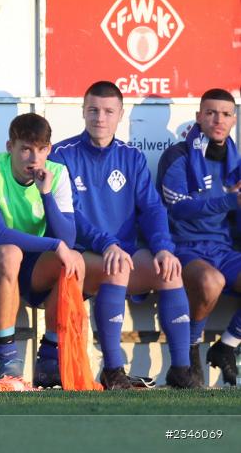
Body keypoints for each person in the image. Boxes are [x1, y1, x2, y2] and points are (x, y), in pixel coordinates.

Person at [49, 81, 194, 389]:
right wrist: (107, 243)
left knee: (169, 271)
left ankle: (182, 370)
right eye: (93, 110)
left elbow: (153, 209)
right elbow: (69, 215)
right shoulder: (62, 155)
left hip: (122, 252)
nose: (100, 118)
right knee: (118, 268)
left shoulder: (132, 157)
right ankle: (113, 370)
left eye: (107, 111)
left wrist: (164, 248)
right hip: (82, 255)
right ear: (83, 112)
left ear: (120, 115)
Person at [0, 113, 82, 382]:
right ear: (10, 147)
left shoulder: (57, 174)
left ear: (49, 149)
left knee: (73, 261)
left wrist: (46, 194)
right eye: (25, 149)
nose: (33, 159)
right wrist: (55, 245)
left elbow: (66, 237)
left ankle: (49, 358)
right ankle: (8, 360)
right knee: (10, 253)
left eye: (41, 150)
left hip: (25, 265)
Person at [157, 88, 241, 386]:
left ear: (233, 120)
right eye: (211, 112)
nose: (218, 119)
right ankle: (190, 351)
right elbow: (178, 209)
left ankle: (226, 346)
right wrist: (229, 201)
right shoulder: (178, 156)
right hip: (184, 248)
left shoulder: (236, 163)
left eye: (226, 114)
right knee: (211, 282)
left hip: (223, 249)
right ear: (198, 117)